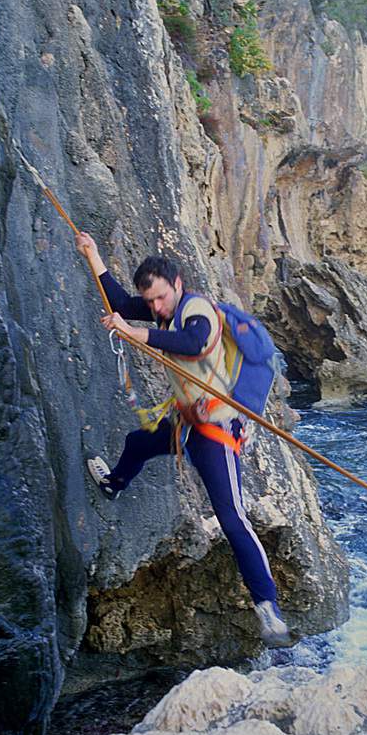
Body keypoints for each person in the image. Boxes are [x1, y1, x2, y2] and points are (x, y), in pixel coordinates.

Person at [75, 232, 292, 648]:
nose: (155, 308)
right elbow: (121, 304)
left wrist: (134, 335)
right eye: (151, 301)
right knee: (137, 443)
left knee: (232, 518)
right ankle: (114, 484)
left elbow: (193, 343)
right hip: (187, 423)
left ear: (177, 284)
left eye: (159, 298)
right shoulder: (162, 310)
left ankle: (268, 609)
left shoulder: (197, 309)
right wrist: (94, 255)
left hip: (215, 432)